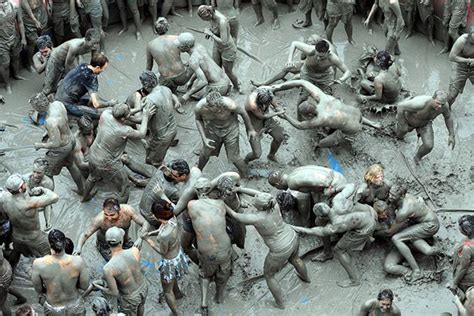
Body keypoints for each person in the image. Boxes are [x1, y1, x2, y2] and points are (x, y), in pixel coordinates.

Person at [226, 191, 310, 309]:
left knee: (269, 275)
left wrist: (222, 204)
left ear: (260, 207)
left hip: (280, 249)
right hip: (292, 236)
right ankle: (306, 279)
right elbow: (260, 193)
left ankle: (281, 304)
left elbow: (235, 216)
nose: (254, 197)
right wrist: (240, 188)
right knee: (296, 259)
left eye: (256, 199)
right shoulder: (274, 204)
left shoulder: (256, 218)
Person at [293, 191, 378, 288]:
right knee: (355, 227)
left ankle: (354, 280)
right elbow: (350, 187)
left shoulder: (334, 226)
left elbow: (314, 231)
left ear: (321, 216)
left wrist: (295, 228)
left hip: (365, 229)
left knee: (339, 250)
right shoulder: (338, 199)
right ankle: (367, 241)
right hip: (371, 212)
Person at [268, 164, 352, 262]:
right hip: (338, 177)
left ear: (278, 184)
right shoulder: (294, 172)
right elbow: (312, 186)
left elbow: (322, 182)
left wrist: (328, 191)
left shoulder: (292, 183)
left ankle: (327, 252)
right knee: (318, 206)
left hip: (335, 186)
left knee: (320, 222)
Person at [82, 102, 156, 202]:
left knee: (92, 177)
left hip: (94, 154)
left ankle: (85, 197)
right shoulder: (123, 130)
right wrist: (146, 116)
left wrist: (138, 108)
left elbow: (121, 114)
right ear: (123, 119)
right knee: (125, 187)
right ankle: (121, 211)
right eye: (128, 113)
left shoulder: (106, 114)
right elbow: (142, 134)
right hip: (108, 162)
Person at [273, 80, 380, 149]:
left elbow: (300, 126)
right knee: (349, 117)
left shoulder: (320, 119)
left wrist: (285, 116)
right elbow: (302, 82)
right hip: (357, 113)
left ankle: (319, 147)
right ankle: (373, 124)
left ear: (310, 115)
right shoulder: (323, 97)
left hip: (353, 129)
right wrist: (278, 86)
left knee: (322, 143)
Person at [187, 183, 233, 316]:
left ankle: (204, 303)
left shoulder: (191, 205)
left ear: (197, 192)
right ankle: (219, 297)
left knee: (205, 274)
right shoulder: (220, 203)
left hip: (207, 253)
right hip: (225, 250)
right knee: (224, 274)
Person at [29, 92, 84, 195]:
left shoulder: (49, 121)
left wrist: (40, 145)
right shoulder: (58, 104)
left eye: (36, 109)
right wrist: (51, 133)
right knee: (71, 165)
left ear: (41, 107)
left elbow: (55, 143)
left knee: (47, 173)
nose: (36, 111)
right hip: (71, 139)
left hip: (61, 148)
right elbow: (63, 123)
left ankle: (48, 199)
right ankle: (82, 190)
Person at [383, 183, 440, 281]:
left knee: (396, 238)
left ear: (401, 196)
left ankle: (416, 270)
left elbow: (390, 232)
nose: (390, 197)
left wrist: (373, 232)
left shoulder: (403, 212)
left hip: (429, 225)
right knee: (388, 266)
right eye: (390, 194)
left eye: (393, 195)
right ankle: (408, 270)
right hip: (414, 228)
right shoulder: (401, 205)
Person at [1, 173, 58, 268]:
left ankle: (9, 271)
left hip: (17, 237)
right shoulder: (30, 203)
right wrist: (43, 189)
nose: (26, 184)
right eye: (24, 183)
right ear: (20, 189)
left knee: (16, 253)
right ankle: (49, 276)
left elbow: (4, 216)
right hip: (34, 239)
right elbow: (54, 197)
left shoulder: (4, 198)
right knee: (49, 258)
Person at [195, 91, 257, 178]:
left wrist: (251, 129)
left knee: (234, 156)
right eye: (216, 109)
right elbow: (198, 120)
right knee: (205, 152)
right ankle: (198, 171)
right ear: (208, 106)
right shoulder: (200, 107)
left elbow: (243, 113)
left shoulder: (230, 105)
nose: (220, 110)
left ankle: (245, 175)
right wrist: (204, 138)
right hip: (212, 129)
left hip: (231, 129)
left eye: (221, 108)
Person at [143, 199, 188, 315]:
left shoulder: (164, 235)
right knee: (173, 281)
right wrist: (151, 233)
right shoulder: (172, 218)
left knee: (167, 291)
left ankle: (176, 313)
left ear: (155, 216)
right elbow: (163, 227)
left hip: (169, 263)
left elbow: (162, 251)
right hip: (178, 256)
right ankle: (178, 294)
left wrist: (148, 240)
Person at [31, 229, 89, 315]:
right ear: (65, 243)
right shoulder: (78, 261)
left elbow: (38, 289)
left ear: (50, 245)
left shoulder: (38, 264)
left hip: (54, 308)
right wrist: (72, 283)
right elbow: (84, 286)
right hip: (75, 305)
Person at [92, 227, 148, 316]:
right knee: (141, 306)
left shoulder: (108, 268)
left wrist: (98, 286)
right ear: (121, 241)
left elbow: (114, 292)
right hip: (143, 287)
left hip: (129, 297)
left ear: (107, 243)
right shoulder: (134, 251)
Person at [74, 198, 150, 261]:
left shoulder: (128, 211)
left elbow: (145, 223)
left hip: (124, 241)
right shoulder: (99, 220)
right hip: (106, 245)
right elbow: (85, 234)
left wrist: (140, 238)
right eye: (106, 214)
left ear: (119, 210)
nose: (109, 218)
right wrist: (78, 248)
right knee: (116, 264)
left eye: (112, 215)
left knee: (135, 258)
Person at [395, 90, 455, 164]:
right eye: (438, 103)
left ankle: (417, 157)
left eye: (442, 104)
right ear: (433, 98)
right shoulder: (420, 103)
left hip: (425, 123)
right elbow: (400, 107)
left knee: (428, 146)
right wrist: (402, 124)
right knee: (399, 136)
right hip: (408, 120)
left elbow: (448, 117)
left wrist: (451, 134)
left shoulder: (444, 106)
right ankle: (399, 134)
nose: (440, 106)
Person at [55, 52, 117, 120]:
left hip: (60, 94)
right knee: (99, 113)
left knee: (92, 98)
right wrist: (109, 103)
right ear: (97, 67)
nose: (103, 70)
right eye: (103, 69)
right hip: (66, 103)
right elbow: (96, 104)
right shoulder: (91, 78)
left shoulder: (83, 65)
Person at [42, 29, 101, 96]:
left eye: (97, 43)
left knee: (78, 77)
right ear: (86, 40)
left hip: (71, 57)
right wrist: (73, 79)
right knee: (49, 86)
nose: (95, 46)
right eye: (94, 43)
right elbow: (68, 65)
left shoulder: (94, 46)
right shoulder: (75, 46)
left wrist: (91, 74)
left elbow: (94, 62)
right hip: (56, 58)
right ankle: (42, 97)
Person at [198, 5, 241, 93]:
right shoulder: (211, 14)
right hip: (217, 46)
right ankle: (224, 84)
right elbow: (215, 29)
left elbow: (224, 41)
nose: (206, 21)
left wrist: (211, 34)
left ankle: (237, 87)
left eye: (205, 19)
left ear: (209, 14)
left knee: (228, 71)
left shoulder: (222, 21)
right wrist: (211, 31)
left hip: (228, 48)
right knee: (216, 67)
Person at [177, 32, 232, 102]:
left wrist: (187, 95)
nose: (178, 46)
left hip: (219, 88)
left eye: (180, 45)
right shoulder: (200, 47)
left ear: (187, 47)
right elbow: (203, 68)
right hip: (227, 80)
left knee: (199, 99)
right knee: (194, 86)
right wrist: (190, 81)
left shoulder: (193, 60)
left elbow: (203, 82)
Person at [286, 39, 351, 96]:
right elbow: (294, 43)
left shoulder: (333, 58)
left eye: (321, 57)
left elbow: (348, 71)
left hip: (325, 76)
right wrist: (289, 60)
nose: (318, 58)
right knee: (305, 94)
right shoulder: (310, 49)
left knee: (327, 95)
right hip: (308, 73)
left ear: (328, 52)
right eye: (317, 55)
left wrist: (341, 79)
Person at [139, 159, 193, 228]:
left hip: (142, 207)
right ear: (183, 176)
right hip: (150, 216)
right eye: (174, 175)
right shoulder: (172, 190)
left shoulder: (161, 170)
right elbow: (177, 210)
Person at [139, 78, 180, 167]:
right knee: (154, 151)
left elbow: (142, 122)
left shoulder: (149, 100)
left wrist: (129, 117)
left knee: (153, 161)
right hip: (172, 129)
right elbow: (172, 95)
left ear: (146, 85)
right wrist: (176, 101)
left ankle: (154, 174)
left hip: (161, 136)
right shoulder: (166, 89)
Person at [145, 17, 192, 92]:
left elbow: (149, 67)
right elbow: (191, 52)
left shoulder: (150, 45)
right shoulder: (176, 38)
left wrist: (146, 82)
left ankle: (171, 91)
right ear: (167, 27)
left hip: (166, 79)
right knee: (192, 65)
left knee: (158, 76)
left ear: (156, 31)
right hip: (182, 77)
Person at [244, 86, 286, 163]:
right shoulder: (252, 103)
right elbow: (261, 116)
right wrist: (277, 113)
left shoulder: (267, 91)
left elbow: (272, 101)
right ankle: (246, 160)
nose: (267, 105)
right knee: (257, 154)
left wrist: (277, 107)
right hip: (254, 124)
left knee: (279, 137)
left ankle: (271, 155)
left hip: (267, 119)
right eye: (264, 104)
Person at [0, 0, 26, 94]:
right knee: (5, 64)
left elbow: (20, 22)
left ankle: (16, 75)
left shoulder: (15, 6)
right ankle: (7, 85)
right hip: (1, 42)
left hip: (14, 38)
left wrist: (23, 38)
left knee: (16, 58)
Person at [447, 26, 474, 107]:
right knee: (452, 94)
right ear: (469, 35)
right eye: (473, 39)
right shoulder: (462, 40)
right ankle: (446, 110)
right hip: (460, 67)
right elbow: (452, 57)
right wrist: (469, 60)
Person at [449, 215, 474, 298]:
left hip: (467, 279)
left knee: (465, 299)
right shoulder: (466, 240)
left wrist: (455, 283)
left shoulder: (468, 248)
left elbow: (463, 267)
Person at [27, 158, 54, 232]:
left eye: (39, 172)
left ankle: (48, 224)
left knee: (48, 203)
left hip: (43, 202)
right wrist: (30, 192)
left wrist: (47, 223)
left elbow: (49, 201)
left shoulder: (48, 183)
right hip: (32, 200)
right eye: (34, 171)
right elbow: (26, 191)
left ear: (45, 171)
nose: (35, 175)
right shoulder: (29, 178)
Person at [20, 0, 47, 71]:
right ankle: (29, 63)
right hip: (29, 18)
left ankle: (40, 56)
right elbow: (28, 9)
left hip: (40, 14)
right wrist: (35, 20)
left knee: (41, 38)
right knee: (33, 42)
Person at [1, 247, 27, 316]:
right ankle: (21, 297)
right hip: (5, 268)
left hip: (2, 272)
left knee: (2, 301)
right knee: (4, 287)